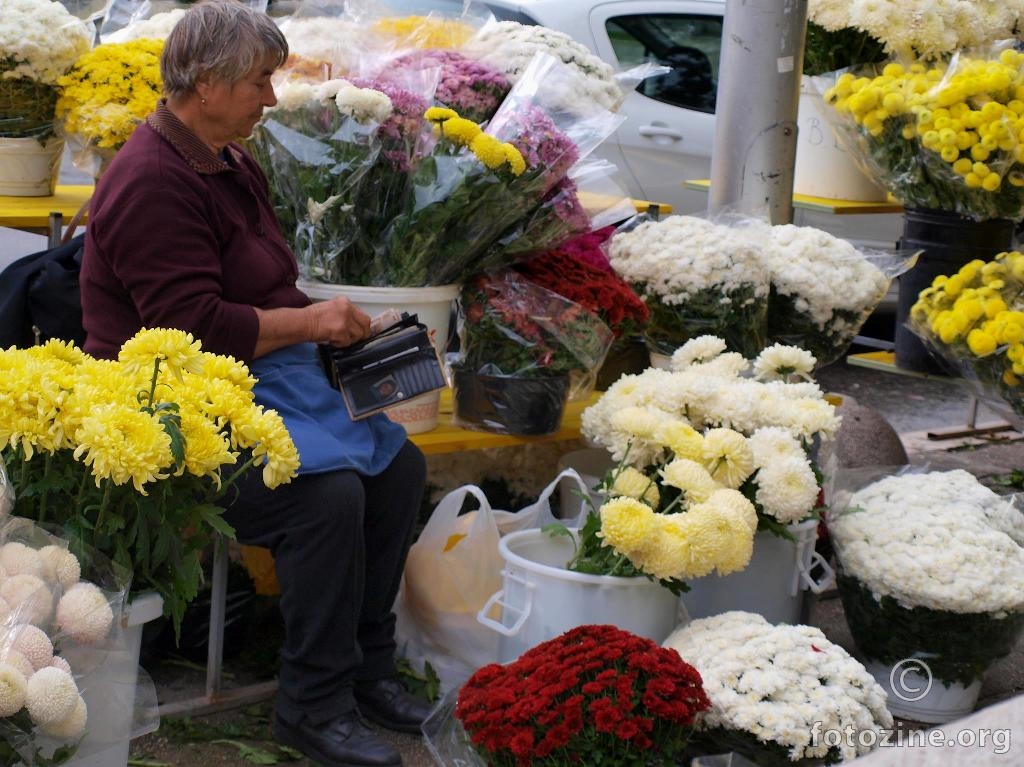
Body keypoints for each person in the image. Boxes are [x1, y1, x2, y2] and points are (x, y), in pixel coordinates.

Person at [79, 2, 431, 765]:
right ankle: (311, 700)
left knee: (401, 467)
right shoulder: (151, 180)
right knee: (325, 496)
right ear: (206, 84)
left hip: (254, 379)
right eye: (258, 82)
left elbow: (267, 286)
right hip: (170, 406)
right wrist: (311, 326)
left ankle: (366, 666)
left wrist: (348, 327)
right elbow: (191, 326)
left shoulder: (226, 157)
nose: (270, 98)